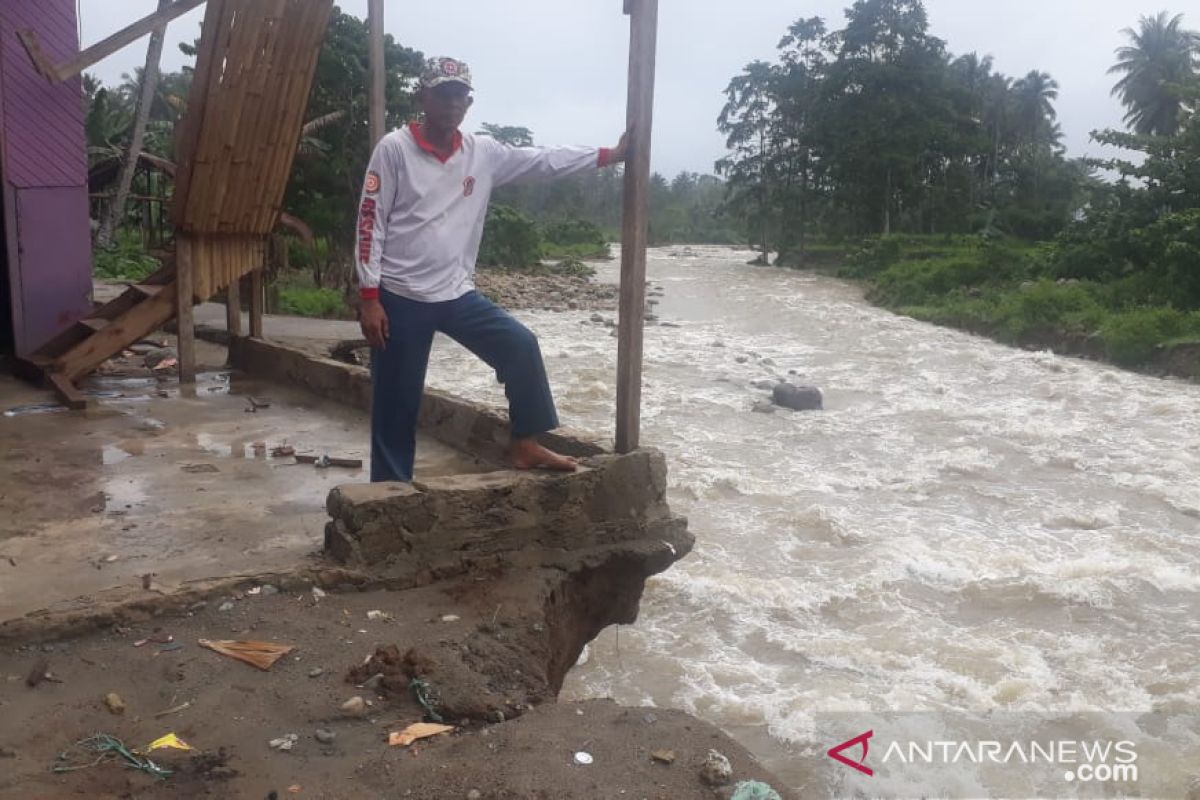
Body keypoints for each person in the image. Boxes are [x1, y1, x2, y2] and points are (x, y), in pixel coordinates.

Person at [356, 56, 628, 483]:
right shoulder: (393, 149)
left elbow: (543, 161)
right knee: (396, 406)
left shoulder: (481, 153)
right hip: (400, 297)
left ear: (469, 102)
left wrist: (610, 155)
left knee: (520, 346)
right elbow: (370, 221)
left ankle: (524, 444)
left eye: (459, 95)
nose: (451, 103)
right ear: (423, 96)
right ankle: (389, 496)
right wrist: (369, 296)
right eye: (443, 93)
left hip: (457, 295)